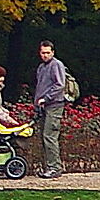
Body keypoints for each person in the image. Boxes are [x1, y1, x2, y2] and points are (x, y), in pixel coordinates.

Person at [31, 41, 68, 179]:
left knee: (50, 136)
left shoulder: (56, 65)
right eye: (43, 53)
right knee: (43, 136)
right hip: (43, 106)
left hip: (54, 105)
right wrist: (37, 104)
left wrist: (46, 98)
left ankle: (54, 168)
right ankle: (48, 166)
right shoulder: (41, 67)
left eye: (48, 52)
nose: (45, 55)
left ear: (53, 52)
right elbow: (40, 87)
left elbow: (60, 85)